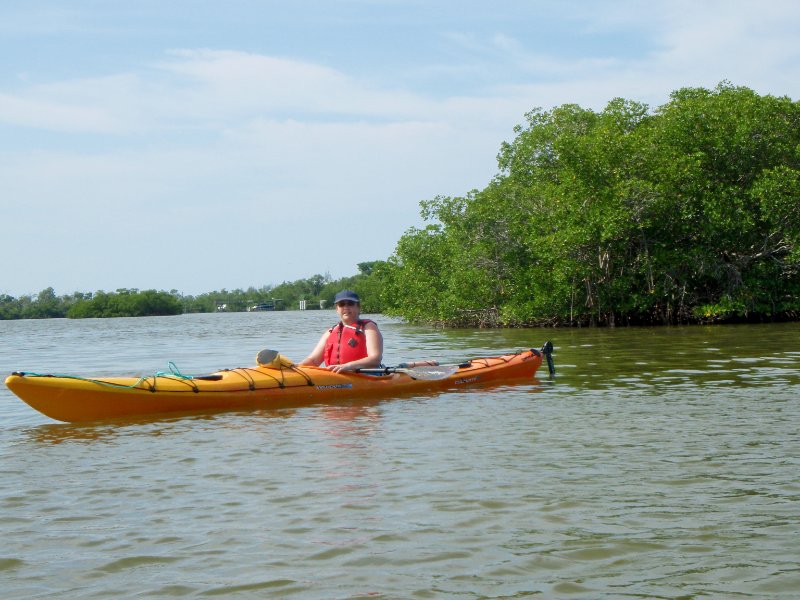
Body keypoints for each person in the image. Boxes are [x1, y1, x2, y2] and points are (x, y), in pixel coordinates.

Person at [299, 290, 383, 372]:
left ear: (358, 307)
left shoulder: (368, 327)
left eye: (350, 303)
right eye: (342, 304)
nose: (346, 307)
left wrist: (347, 366)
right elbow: (313, 361)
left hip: (365, 376)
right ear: (337, 309)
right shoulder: (330, 332)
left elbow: (375, 359)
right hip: (335, 377)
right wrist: (296, 367)